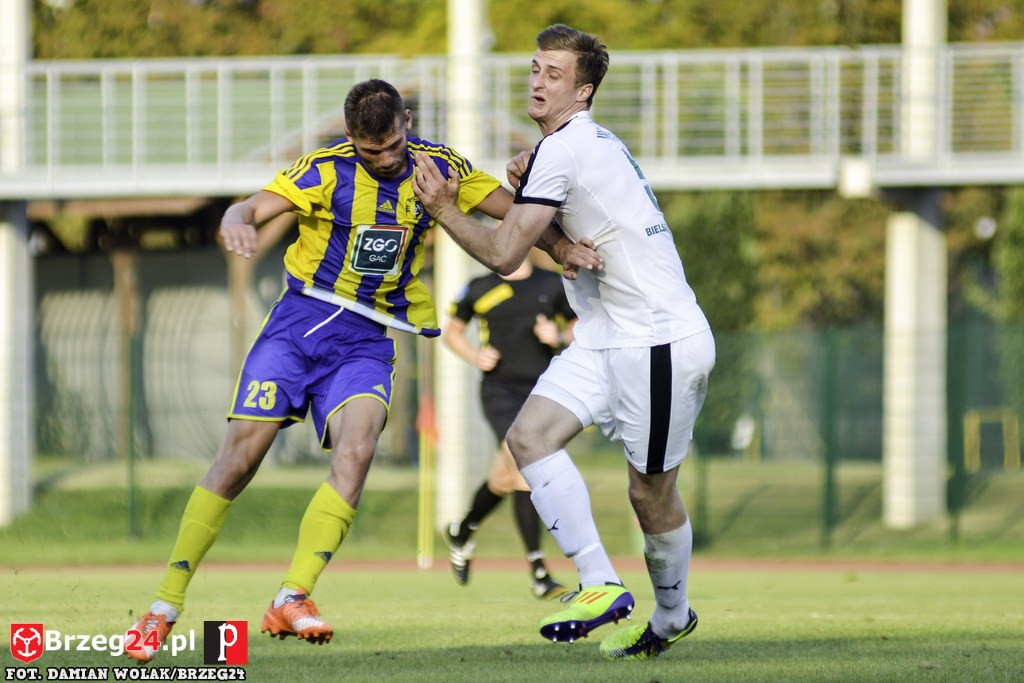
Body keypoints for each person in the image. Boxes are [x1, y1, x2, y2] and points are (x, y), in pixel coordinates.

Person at [125, 78, 592, 663]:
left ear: (407, 122)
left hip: (367, 339)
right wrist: (234, 218)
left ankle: (292, 595)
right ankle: (165, 605)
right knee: (238, 461)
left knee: (357, 450)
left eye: (393, 145)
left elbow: (518, 217)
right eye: (372, 151)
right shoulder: (324, 170)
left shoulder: (440, 167)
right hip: (297, 328)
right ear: (351, 138)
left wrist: (563, 247)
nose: (387, 158)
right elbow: (252, 205)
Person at [412, 25, 715, 661]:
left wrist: (443, 208)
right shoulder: (569, 147)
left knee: (649, 494)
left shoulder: (566, 149)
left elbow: (504, 254)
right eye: (534, 68)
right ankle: (600, 582)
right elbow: (552, 218)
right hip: (605, 336)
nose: (537, 81)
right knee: (528, 440)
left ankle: (671, 615)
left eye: (554, 74)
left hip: (657, 341)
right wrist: (531, 190)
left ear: (583, 91)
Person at [441, 254, 576, 600]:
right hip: (499, 392)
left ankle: (461, 531)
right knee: (522, 468)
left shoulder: (551, 283)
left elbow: (580, 327)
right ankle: (538, 571)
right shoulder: (480, 287)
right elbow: (452, 333)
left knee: (503, 480)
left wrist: (559, 335)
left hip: (542, 391)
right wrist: (475, 356)